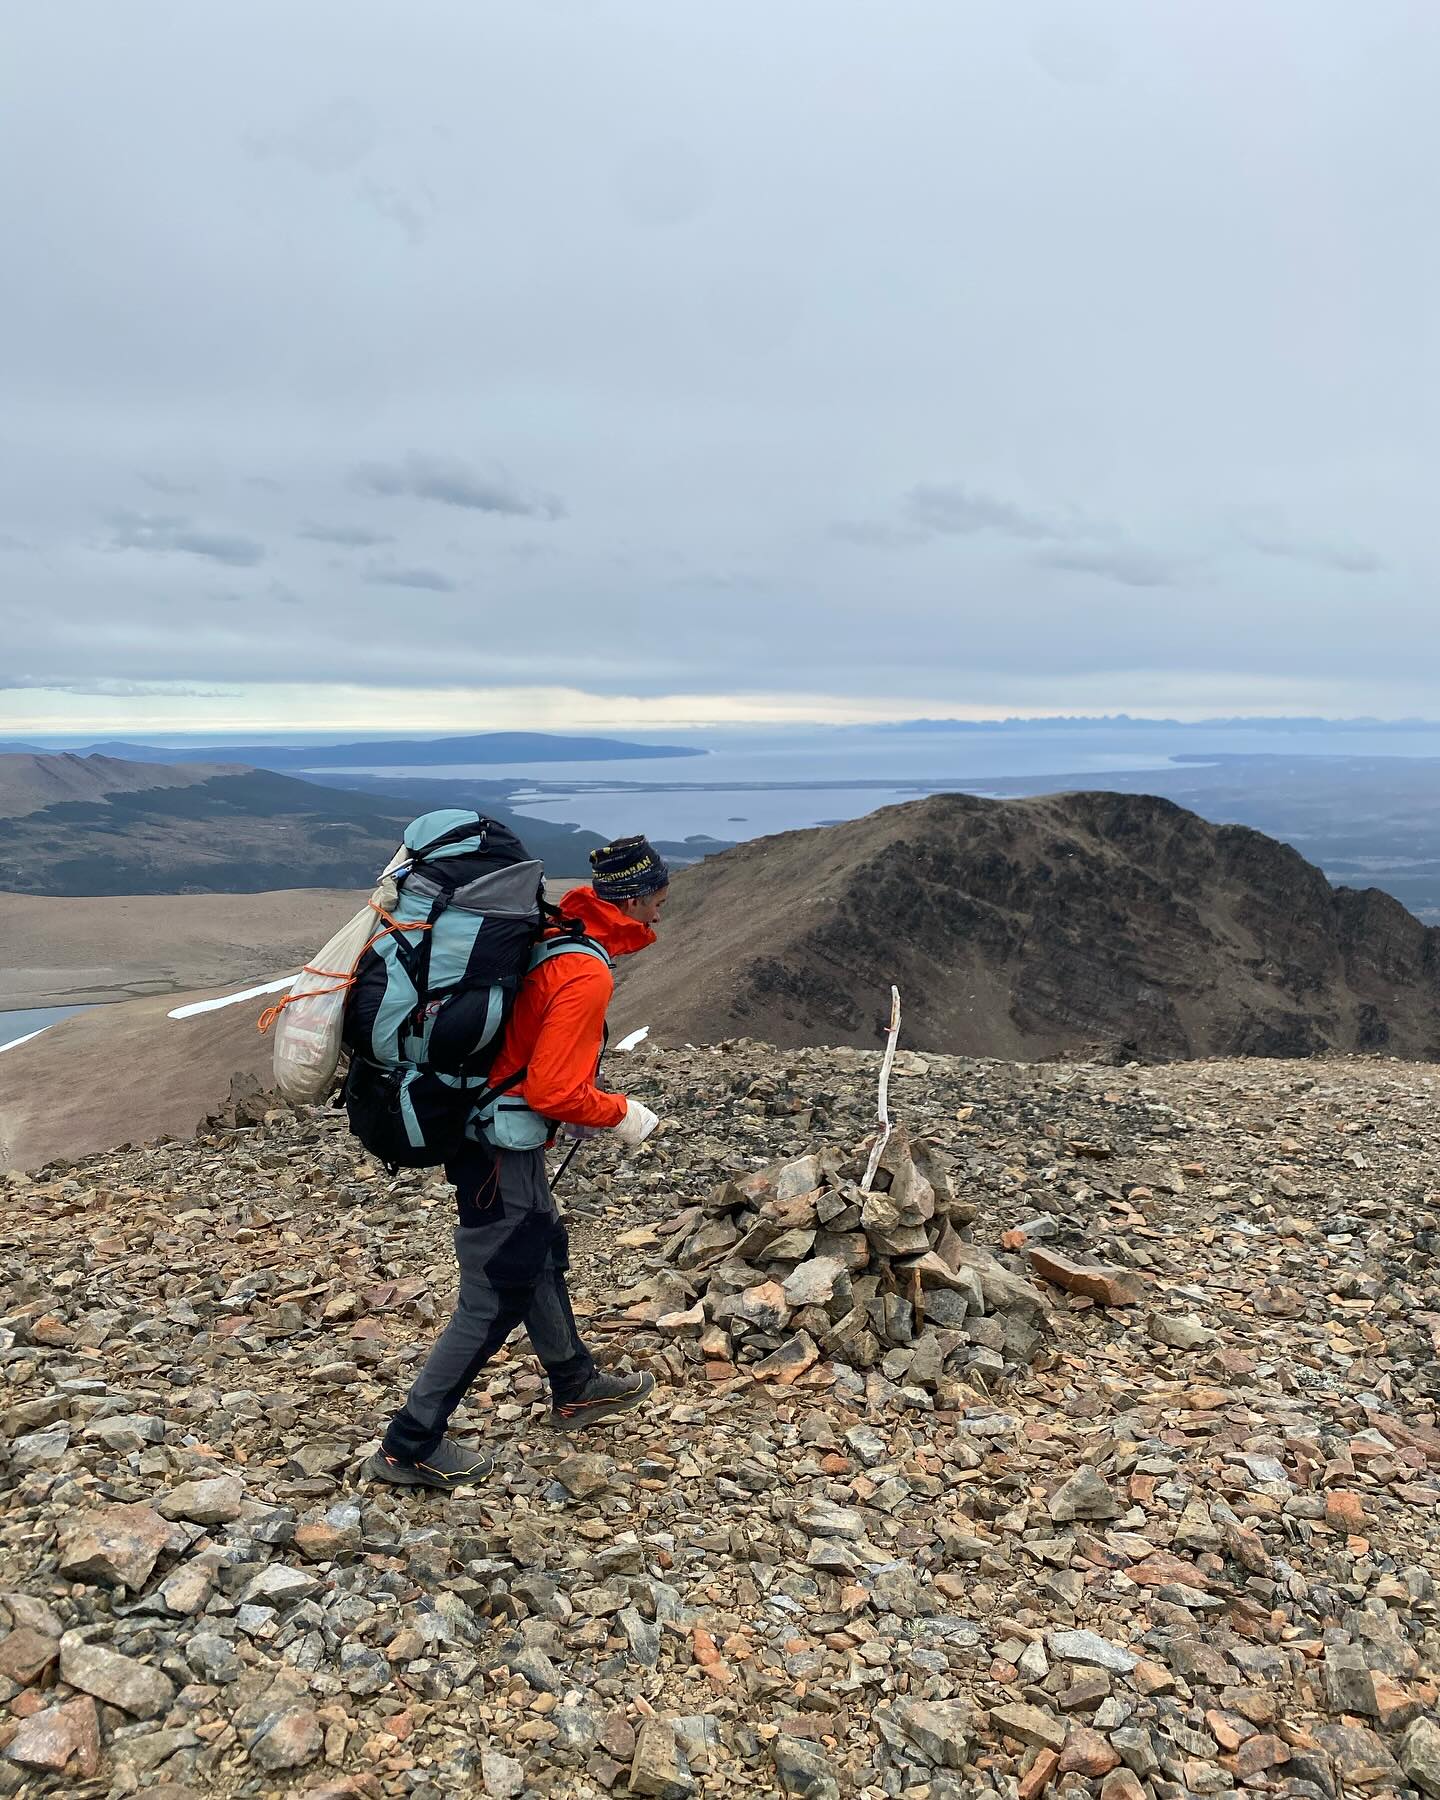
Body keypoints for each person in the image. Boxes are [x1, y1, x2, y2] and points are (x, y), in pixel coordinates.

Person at [366, 835, 671, 1491]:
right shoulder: (584, 969)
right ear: (634, 899)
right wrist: (622, 1113)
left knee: (540, 1249)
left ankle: (575, 1384)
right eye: (658, 901)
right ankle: (407, 1446)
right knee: (497, 1288)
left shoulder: (555, 932)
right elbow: (553, 1091)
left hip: (496, 1135)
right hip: (495, 1145)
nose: (659, 915)